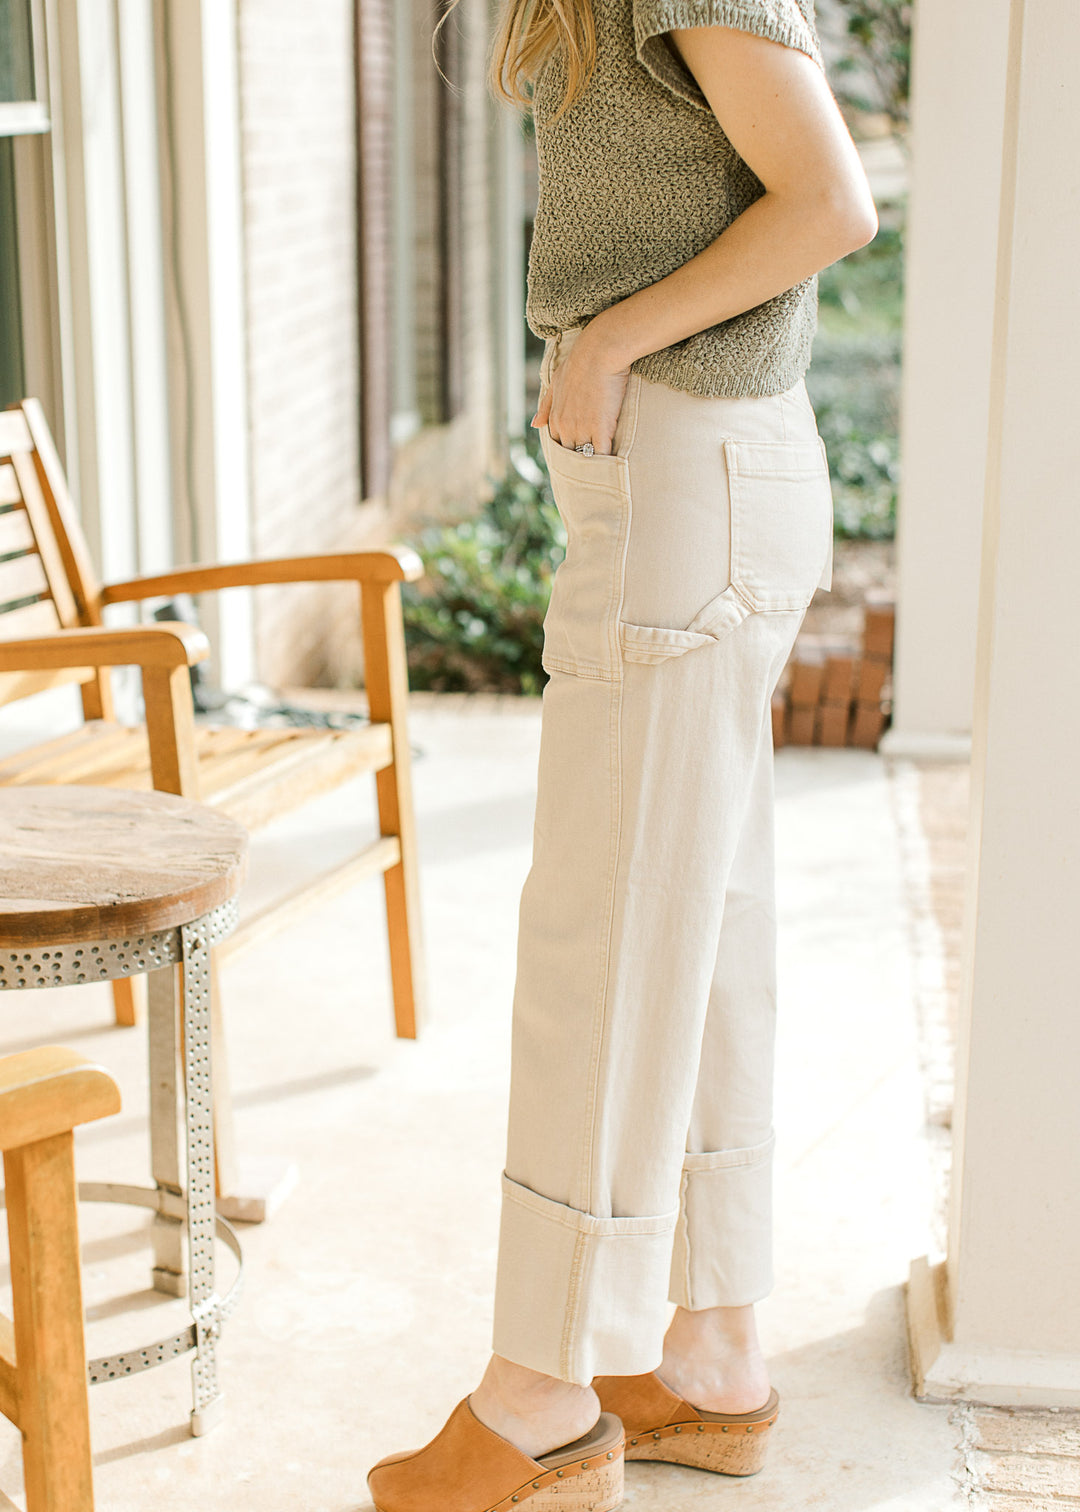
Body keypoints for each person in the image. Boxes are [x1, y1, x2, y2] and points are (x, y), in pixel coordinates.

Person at [368, 1, 876, 1508]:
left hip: (682, 464)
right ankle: (712, 1353)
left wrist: (609, 338)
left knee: (602, 933)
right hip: (699, 468)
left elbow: (830, 201)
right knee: (698, 923)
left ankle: (537, 1394)